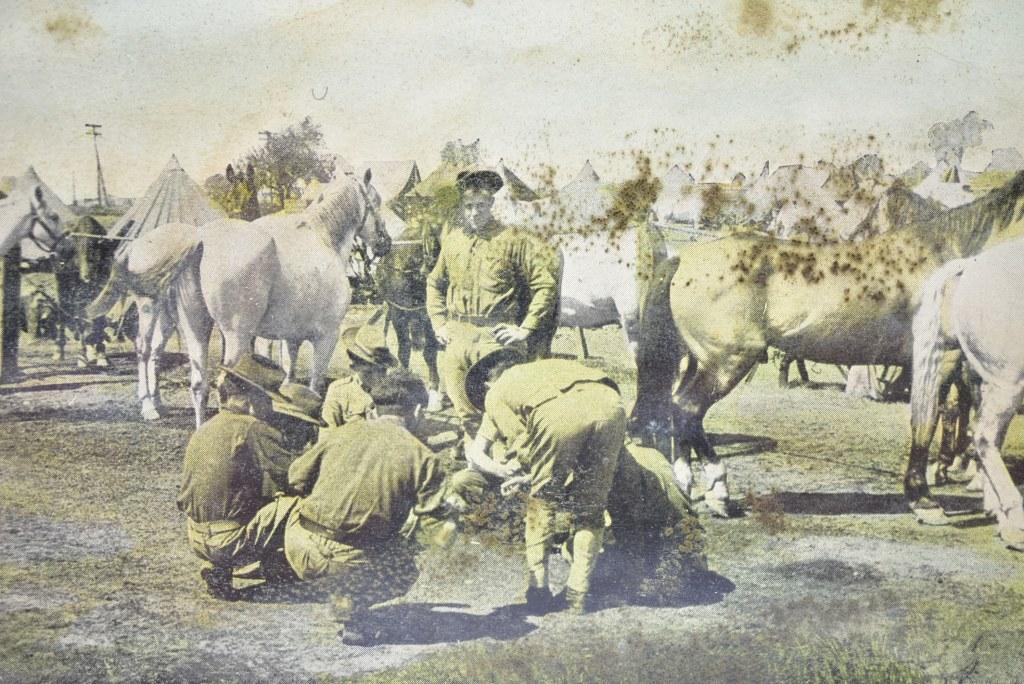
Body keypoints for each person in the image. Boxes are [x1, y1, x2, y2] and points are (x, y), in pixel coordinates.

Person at [283, 368, 471, 646]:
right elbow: (438, 524)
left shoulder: (340, 433)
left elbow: (295, 479)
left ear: (374, 407)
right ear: (417, 410)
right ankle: (350, 612)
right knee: (405, 568)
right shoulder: (421, 456)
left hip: (297, 545)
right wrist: (431, 538)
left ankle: (305, 578)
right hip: (345, 559)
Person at [464, 349, 626, 615]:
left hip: (559, 415)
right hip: (611, 404)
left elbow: (521, 451)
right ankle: (578, 592)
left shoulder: (497, 392)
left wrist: (507, 472)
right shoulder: (546, 369)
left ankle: (538, 589)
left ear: (486, 384)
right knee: (591, 510)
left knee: (542, 503)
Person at [425, 169, 560, 429]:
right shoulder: (453, 241)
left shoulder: (513, 240)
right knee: (465, 415)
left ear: (491, 205)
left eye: (481, 206)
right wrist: (438, 323)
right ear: (462, 207)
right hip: (457, 338)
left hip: (495, 340)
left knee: (503, 414)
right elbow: (434, 282)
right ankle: (473, 458)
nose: (474, 213)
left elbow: (544, 285)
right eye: (468, 206)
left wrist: (525, 329)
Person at [176, 353, 305, 600]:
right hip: (228, 542)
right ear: (253, 399)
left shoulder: (207, 427)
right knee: (299, 503)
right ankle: (279, 565)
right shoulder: (252, 427)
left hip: (196, 536)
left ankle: (218, 568)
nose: (269, 408)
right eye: (268, 400)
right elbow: (297, 475)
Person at [601, 443, 708, 606]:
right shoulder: (652, 453)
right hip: (687, 538)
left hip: (662, 546)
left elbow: (631, 523)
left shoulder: (621, 466)